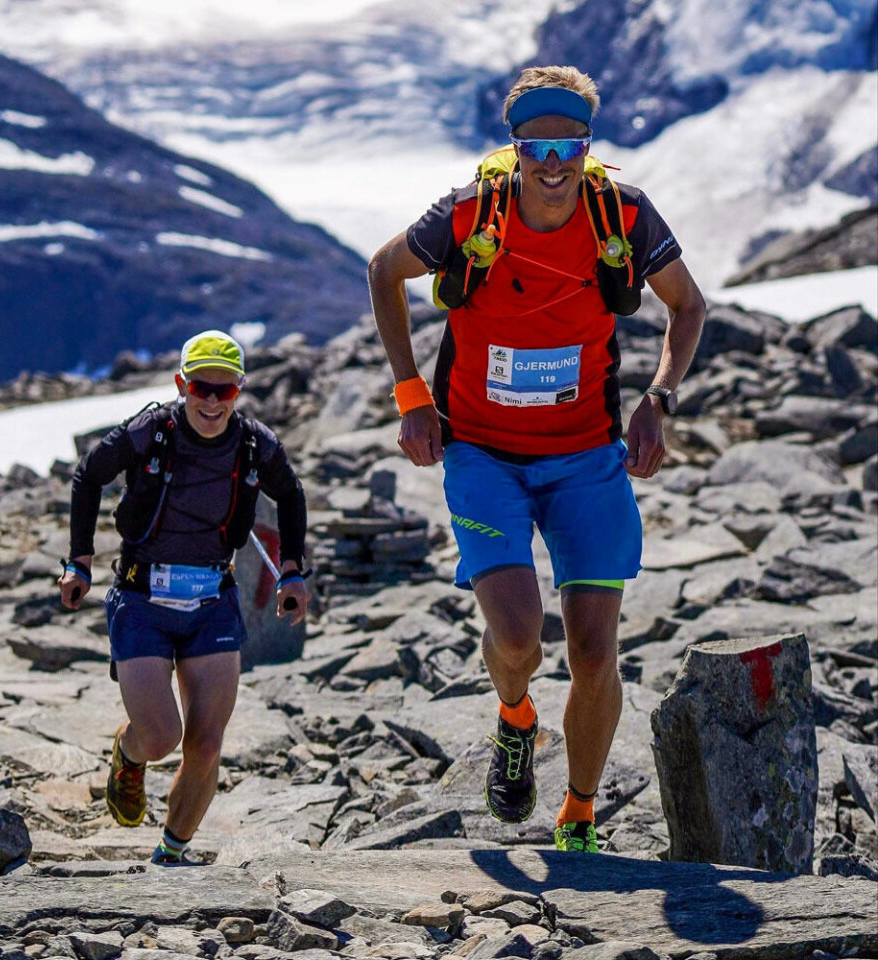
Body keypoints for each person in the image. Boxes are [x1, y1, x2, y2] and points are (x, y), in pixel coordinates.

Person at [368, 66, 705, 853]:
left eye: (570, 144)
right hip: (483, 454)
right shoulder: (467, 215)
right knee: (518, 637)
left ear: (589, 147)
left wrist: (659, 399)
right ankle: (515, 715)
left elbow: (688, 305)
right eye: (536, 146)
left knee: (594, 649)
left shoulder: (620, 214)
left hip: (587, 455)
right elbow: (384, 271)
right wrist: (411, 396)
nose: (553, 162)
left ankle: (579, 815)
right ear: (515, 148)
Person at [58, 330, 309, 865]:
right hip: (141, 597)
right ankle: (129, 753)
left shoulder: (254, 444)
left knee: (207, 745)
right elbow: (87, 476)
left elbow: (289, 493)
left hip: (213, 600)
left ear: (239, 390)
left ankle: (171, 855)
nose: (213, 402)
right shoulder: (151, 432)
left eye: (226, 390)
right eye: (202, 388)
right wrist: (79, 558)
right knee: (160, 735)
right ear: (181, 385)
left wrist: (292, 571)